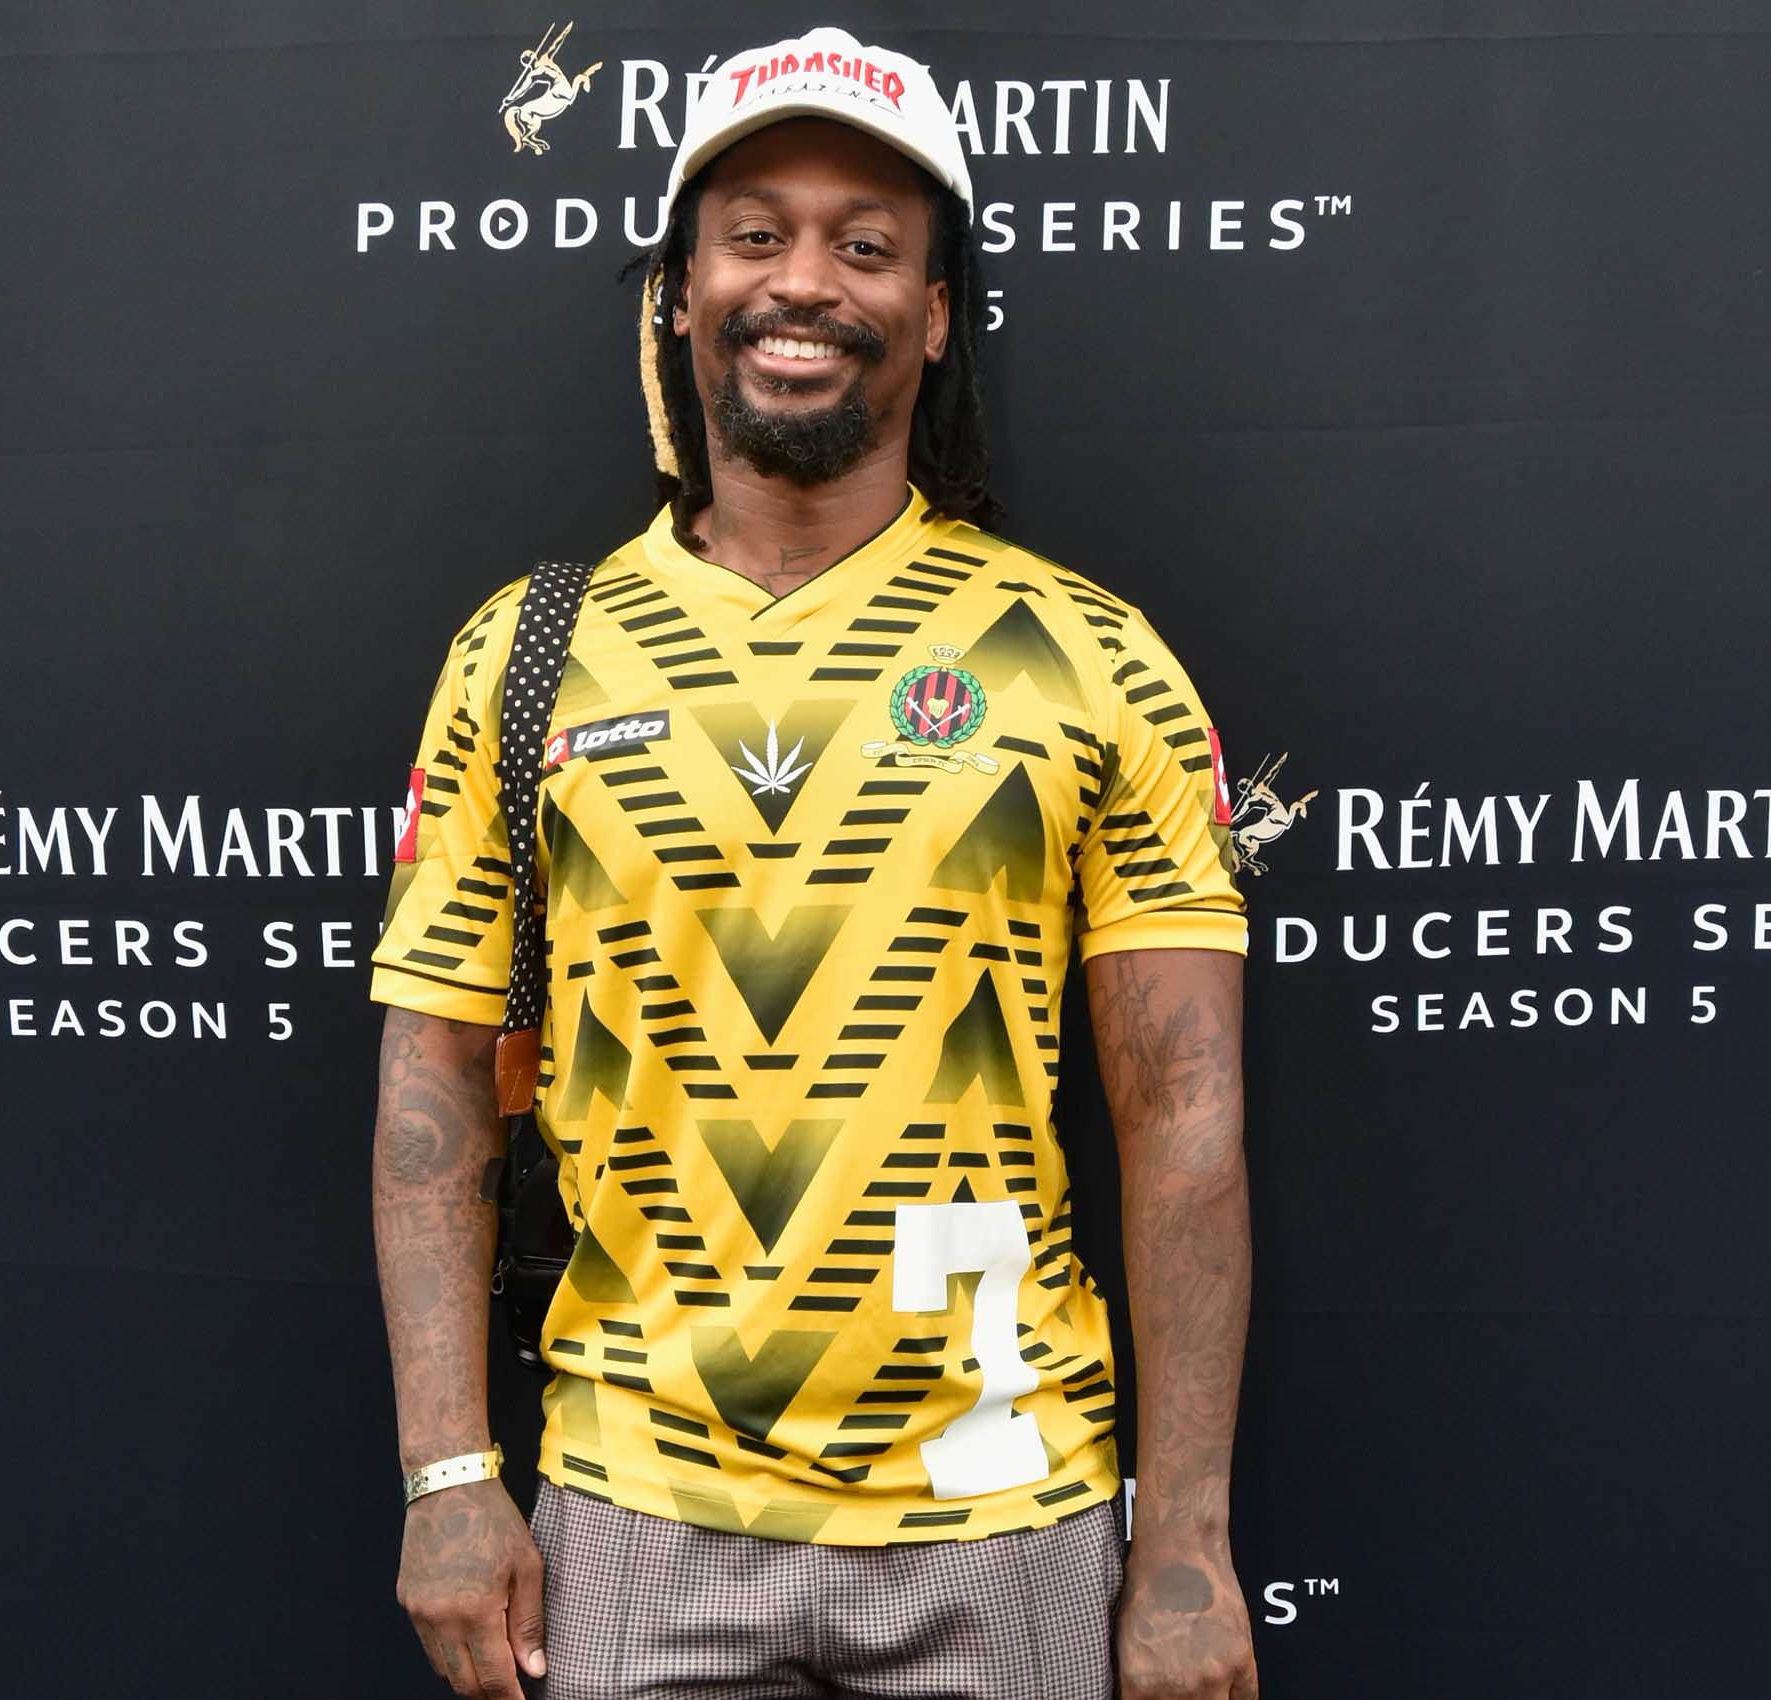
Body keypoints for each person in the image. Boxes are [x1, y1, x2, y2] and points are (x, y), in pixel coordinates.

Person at [370, 25, 1259, 1700]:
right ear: (681, 291)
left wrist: (1187, 1545)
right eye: (755, 235)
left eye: (866, 246)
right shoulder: (527, 655)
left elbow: (1185, 1114)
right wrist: (447, 1475)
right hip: (634, 1508)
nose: (803, 282)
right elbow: (434, 1078)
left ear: (934, 315)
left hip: (1005, 1507)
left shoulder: (1086, 652)